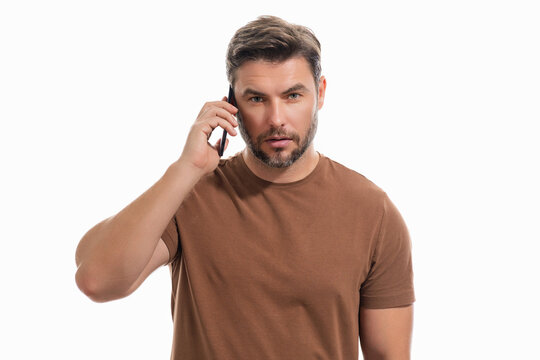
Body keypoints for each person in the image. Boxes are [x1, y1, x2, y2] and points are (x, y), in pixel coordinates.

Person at [75, 15, 415, 360]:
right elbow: (97, 281)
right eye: (256, 99)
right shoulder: (192, 194)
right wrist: (186, 168)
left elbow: (389, 355)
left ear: (320, 93)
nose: (277, 118)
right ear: (231, 104)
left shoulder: (373, 211)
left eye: (293, 95)